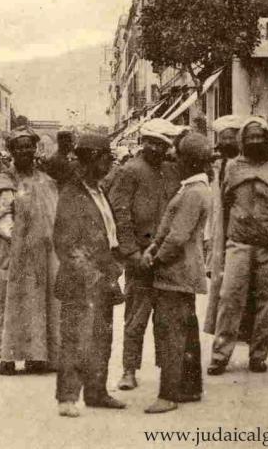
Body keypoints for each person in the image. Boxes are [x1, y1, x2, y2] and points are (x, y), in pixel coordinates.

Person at [206, 116, 268, 375]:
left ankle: (258, 356)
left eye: (260, 137)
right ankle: (220, 356)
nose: (255, 141)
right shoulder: (232, 169)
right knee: (230, 299)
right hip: (238, 244)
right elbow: (222, 205)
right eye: (251, 137)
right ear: (244, 140)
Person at [0, 127, 60, 375]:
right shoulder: (5, 181)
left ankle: (37, 355)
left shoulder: (45, 180)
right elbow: (1, 219)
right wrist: (22, 240)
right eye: (19, 147)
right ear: (12, 151)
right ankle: (8, 357)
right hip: (11, 255)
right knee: (9, 302)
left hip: (41, 255)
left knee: (39, 303)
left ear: (35, 149)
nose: (25, 151)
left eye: (29, 146)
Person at [53, 134, 126, 417]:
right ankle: (67, 398)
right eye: (106, 157)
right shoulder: (72, 195)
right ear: (92, 159)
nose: (110, 162)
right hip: (81, 281)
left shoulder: (99, 190)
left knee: (101, 337)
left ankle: (97, 392)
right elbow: (66, 245)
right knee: (76, 338)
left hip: (103, 278)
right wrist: (92, 276)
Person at [140, 133, 213, 414]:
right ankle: (189, 386)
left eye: (178, 157)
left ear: (189, 161)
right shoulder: (195, 188)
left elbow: (177, 236)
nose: (174, 161)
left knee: (170, 332)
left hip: (176, 271)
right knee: (186, 329)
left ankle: (168, 393)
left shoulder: (194, 192)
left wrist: (155, 259)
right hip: (182, 269)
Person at [107, 118, 181, 391]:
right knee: (136, 318)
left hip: (167, 258)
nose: (156, 149)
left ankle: (167, 371)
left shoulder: (172, 172)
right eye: (151, 143)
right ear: (143, 143)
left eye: (161, 144)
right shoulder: (129, 171)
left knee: (166, 319)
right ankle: (129, 370)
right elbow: (120, 214)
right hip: (140, 258)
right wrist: (131, 252)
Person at [204, 114, 244, 308]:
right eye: (223, 138)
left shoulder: (243, 164)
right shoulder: (215, 166)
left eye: (231, 137)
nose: (227, 142)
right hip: (218, 225)